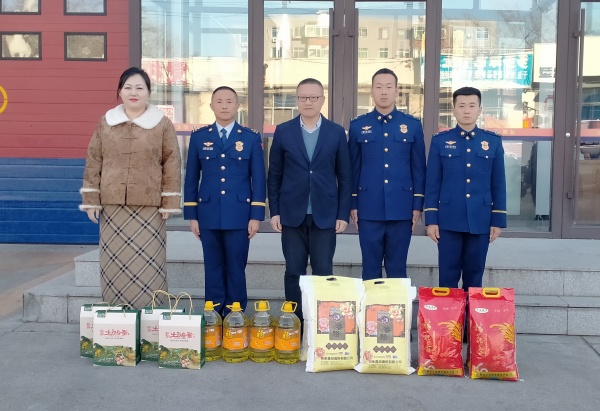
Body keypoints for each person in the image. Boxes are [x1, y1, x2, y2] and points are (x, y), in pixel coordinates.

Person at [80, 67, 182, 309]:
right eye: (128, 87)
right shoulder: (106, 122)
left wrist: (169, 202)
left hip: (149, 208)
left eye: (139, 88)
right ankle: (117, 317)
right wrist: (91, 199)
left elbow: (172, 162)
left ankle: (152, 314)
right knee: (114, 263)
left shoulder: (162, 124)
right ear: (120, 91)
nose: (133, 92)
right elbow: (94, 159)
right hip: (113, 205)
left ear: (149, 92)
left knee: (150, 263)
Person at [267, 78, 351, 322]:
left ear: (322, 100)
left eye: (313, 97)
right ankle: (296, 323)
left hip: (325, 215)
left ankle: (320, 326)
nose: (308, 102)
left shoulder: (336, 132)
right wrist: (275, 211)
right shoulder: (284, 131)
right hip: (291, 214)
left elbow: (345, 176)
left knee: (323, 272)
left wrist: (342, 214)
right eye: (303, 97)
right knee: (294, 271)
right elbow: (274, 174)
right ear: (297, 100)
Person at [183, 86, 266, 317]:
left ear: (238, 106)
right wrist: (192, 216)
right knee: (212, 266)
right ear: (211, 106)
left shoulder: (250, 138)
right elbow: (191, 179)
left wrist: (256, 216)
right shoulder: (200, 137)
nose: (224, 106)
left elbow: (259, 179)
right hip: (208, 213)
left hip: (239, 214)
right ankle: (213, 314)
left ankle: (235, 315)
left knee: (236, 267)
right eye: (219, 101)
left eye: (229, 101)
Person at [424, 86, 507, 295]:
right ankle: (449, 317)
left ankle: (471, 317)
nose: (466, 110)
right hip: (448, 220)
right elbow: (432, 183)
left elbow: (498, 183)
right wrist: (431, 220)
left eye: (471, 105)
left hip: (480, 219)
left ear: (480, 110)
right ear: (453, 110)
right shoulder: (440, 141)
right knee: (447, 278)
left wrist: (497, 220)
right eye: (461, 106)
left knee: (474, 277)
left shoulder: (492, 142)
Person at [348, 68, 426, 280]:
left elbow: (419, 168)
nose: (384, 91)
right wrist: (353, 203)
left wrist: (417, 204)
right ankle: (371, 303)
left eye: (389, 87)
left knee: (397, 269)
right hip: (368, 207)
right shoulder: (358, 126)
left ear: (396, 91)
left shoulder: (412, 125)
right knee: (370, 269)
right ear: (371, 91)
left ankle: (396, 304)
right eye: (379, 87)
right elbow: (352, 168)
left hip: (402, 207)